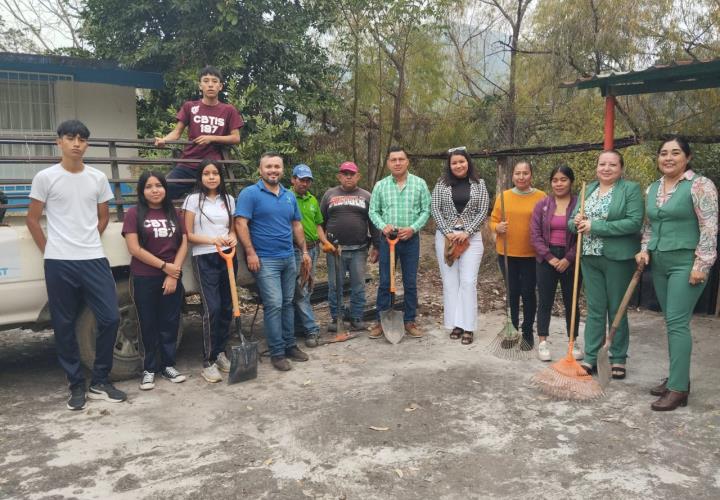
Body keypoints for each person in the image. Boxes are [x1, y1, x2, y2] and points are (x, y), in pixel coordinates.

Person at [26, 119, 126, 410]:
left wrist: (87, 238)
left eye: (82, 139)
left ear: (87, 144)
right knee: (65, 324)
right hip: (59, 262)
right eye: (70, 138)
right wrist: (51, 251)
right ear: (59, 141)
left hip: (93, 258)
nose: (76, 143)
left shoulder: (97, 178)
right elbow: (33, 220)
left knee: (110, 317)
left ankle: (100, 382)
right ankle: (76, 385)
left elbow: (103, 216)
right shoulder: (45, 177)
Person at [636, 137, 718, 411]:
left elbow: (709, 227)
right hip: (659, 262)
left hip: (687, 262)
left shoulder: (700, 185)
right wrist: (645, 250)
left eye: (675, 153)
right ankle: (676, 377)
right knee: (670, 322)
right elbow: (650, 226)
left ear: (688, 156)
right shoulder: (653, 187)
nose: (668, 158)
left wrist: (702, 265)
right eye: (663, 153)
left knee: (678, 322)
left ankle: (679, 389)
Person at [569, 150, 643, 379]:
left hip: (618, 258)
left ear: (621, 168)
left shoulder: (629, 189)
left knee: (616, 308)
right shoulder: (587, 189)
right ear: (596, 167)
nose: (606, 168)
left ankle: (618, 357)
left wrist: (596, 226)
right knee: (595, 310)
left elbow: (633, 222)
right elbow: (572, 222)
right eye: (602, 164)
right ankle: (591, 357)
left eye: (612, 164)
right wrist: (577, 222)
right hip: (589, 257)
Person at [235, 152, 312, 371]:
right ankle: (277, 352)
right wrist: (250, 252)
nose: (273, 170)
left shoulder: (289, 196)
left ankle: (289, 346)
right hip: (265, 260)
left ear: (282, 170)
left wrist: (304, 251)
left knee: (288, 303)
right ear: (260, 170)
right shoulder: (250, 194)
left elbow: (296, 225)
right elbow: (241, 224)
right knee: (274, 304)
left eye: (277, 166)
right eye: (268, 167)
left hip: (289, 257)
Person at [123, 171, 188, 390]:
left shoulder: (174, 213)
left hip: (172, 276)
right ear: (142, 191)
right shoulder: (134, 214)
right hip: (144, 277)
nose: (155, 190)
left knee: (169, 323)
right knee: (147, 324)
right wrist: (163, 266)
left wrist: (172, 273)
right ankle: (149, 369)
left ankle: (168, 365)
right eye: (149, 186)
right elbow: (134, 248)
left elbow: (184, 244)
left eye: (158, 185)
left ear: (165, 188)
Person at [183, 160, 237, 383]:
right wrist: (212, 240)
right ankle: (208, 360)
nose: (211, 177)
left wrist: (232, 237)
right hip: (204, 256)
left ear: (221, 176)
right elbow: (188, 234)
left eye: (215, 173)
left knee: (227, 307)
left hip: (227, 256)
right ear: (201, 177)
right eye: (207, 173)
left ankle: (221, 353)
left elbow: (232, 229)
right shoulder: (193, 200)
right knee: (212, 308)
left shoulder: (229, 199)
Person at [155, 66, 244, 202]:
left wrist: (211, 138)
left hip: (211, 167)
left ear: (220, 86)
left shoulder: (228, 110)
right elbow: (177, 132)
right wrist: (164, 140)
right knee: (163, 192)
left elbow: (236, 137)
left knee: (210, 202)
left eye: (214, 81)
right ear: (200, 85)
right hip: (188, 162)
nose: (210, 85)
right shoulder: (190, 106)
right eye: (206, 81)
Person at [369, 146, 431, 339]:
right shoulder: (380, 185)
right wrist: (383, 226)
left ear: (407, 162)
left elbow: (425, 211)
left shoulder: (419, 184)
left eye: (401, 159)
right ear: (388, 163)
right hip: (388, 240)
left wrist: (413, 228)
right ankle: (382, 320)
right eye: (393, 159)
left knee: (410, 282)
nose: (397, 163)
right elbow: (373, 211)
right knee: (386, 281)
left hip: (410, 240)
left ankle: (409, 320)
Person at [430, 147, 489, 345]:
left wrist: (468, 231)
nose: (458, 165)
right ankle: (456, 323)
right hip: (446, 238)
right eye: (454, 163)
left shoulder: (479, 184)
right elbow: (435, 208)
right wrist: (447, 231)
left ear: (468, 162)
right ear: (449, 165)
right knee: (450, 283)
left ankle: (469, 326)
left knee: (468, 282)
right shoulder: (441, 184)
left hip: (471, 238)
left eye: (461, 162)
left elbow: (483, 210)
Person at [489, 161, 546, 349]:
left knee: (528, 292)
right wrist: (497, 227)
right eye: (518, 173)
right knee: (512, 292)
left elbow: (546, 223)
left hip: (531, 253)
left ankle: (528, 332)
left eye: (525, 173)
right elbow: (493, 220)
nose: (521, 177)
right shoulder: (503, 197)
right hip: (507, 253)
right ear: (513, 176)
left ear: (531, 175)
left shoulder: (541, 197)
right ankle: (511, 330)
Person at [320, 161, 380, 334]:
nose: (348, 176)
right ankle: (336, 318)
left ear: (358, 176)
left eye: (351, 173)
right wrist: (324, 242)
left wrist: (377, 246)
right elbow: (321, 221)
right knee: (334, 285)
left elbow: (373, 223)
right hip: (334, 250)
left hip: (359, 249)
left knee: (358, 285)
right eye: (344, 173)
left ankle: (356, 317)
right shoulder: (329, 195)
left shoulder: (366, 196)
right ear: (339, 176)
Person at [530, 165, 581, 361]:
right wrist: (550, 258)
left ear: (571, 182)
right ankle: (542, 342)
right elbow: (535, 235)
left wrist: (568, 259)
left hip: (571, 258)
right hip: (546, 258)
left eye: (563, 179)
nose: (559, 184)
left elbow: (582, 236)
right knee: (545, 301)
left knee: (572, 301)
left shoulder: (579, 204)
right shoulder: (542, 205)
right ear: (551, 182)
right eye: (555, 180)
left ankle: (572, 341)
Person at [290, 164, 330, 347]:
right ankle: (311, 329)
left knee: (308, 288)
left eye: (308, 180)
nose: (304, 183)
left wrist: (325, 242)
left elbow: (318, 224)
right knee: (301, 290)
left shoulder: (313, 200)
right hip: (296, 250)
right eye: (301, 179)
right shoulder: (287, 198)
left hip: (313, 249)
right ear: (293, 179)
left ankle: (300, 327)